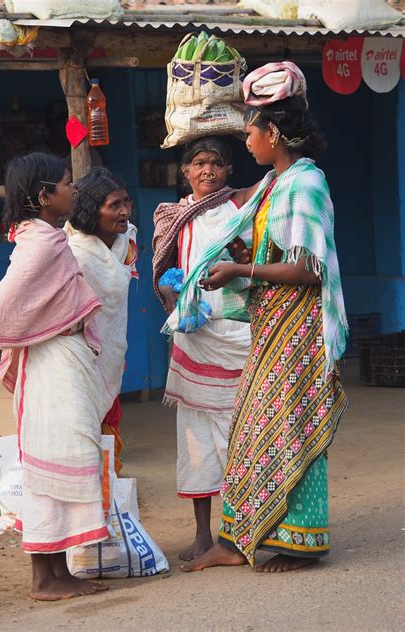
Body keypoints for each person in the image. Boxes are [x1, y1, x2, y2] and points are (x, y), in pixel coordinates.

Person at [178, 62, 349, 573]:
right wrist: (228, 254)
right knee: (255, 430)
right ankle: (236, 541)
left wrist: (240, 265)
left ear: (272, 132)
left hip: (297, 332)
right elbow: (264, 244)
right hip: (271, 327)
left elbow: (307, 268)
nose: (246, 140)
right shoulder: (273, 185)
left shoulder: (305, 183)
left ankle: (301, 544)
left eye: (251, 129)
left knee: (292, 428)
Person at [0, 153, 110, 600]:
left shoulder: (44, 236)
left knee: (58, 465)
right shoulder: (43, 243)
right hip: (52, 369)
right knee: (54, 467)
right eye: (66, 184)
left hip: (57, 363)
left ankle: (57, 572)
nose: (74, 190)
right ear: (44, 196)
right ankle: (44, 579)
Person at [153, 137, 256, 561]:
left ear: (229, 171)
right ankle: (201, 535)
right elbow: (163, 271)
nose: (207, 170)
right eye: (199, 163)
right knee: (194, 438)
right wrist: (168, 291)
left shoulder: (241, 211)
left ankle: (241, 530)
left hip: (235, 336)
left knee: (240, 435)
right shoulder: (173, 217)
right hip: (194, 338)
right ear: (185, 172)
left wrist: (238, 255)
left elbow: (252, 263)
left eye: (216, 163)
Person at [65, 167, 138, 475]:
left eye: (126, 202)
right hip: (80, 357)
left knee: (108, 426)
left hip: (112, 349)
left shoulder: (125, 241)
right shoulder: (72, 252)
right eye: (114, 205)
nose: (124, 211)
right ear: (92, 212)